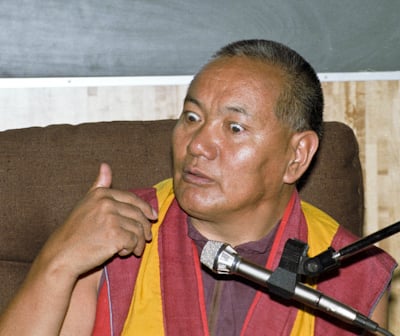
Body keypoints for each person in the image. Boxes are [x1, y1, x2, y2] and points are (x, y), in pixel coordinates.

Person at [0, 39, 396, 335]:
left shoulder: (352, 276)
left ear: (296, 155)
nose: (197, 145)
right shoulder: (112, 234)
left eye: (234, 127)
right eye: (191, 117)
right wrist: (58, 261)